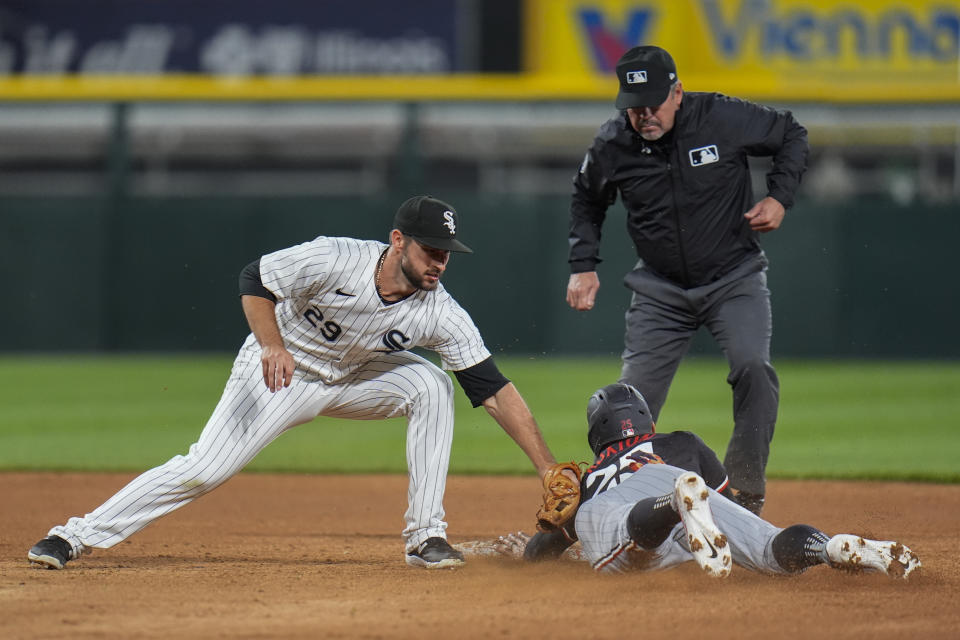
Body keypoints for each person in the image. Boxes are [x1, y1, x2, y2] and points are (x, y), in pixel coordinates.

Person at [28, 195, 566, 571]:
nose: (440, 263)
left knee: (432, 385)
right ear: (397, 240)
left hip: (354, 378)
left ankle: (425, 536)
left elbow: (493, 389)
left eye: (446, 253)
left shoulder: (440, 313)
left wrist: (546, 467)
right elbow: (255, 280)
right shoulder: (335, 258)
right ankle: (73, 536)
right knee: (203, 470)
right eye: (430, 250)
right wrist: (271, 344)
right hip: (278, 373)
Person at [565, 45, 810, 514]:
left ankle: (744, 493)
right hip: (660, 290)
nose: (643, 115)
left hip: (733, 276)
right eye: (633, 106)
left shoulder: (720, 116)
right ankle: (609, 509)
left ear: (677, 93)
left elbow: (791, 134)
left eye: (653, 103)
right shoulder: (613, 143)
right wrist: (583, 264)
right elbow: (586, 198)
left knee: (753, 368)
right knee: (628, 407)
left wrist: (780, 197)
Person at [516, 383, 920, 579]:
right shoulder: (682, 443)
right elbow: (734, 510)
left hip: (633, 504)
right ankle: (829, 546)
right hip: (681, 479)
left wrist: (533, 547)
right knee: (768, 548)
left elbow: (541, 552)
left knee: (627, 540)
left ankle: (673, 506)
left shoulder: (588, 482)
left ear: (597, 437)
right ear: (648, 423)